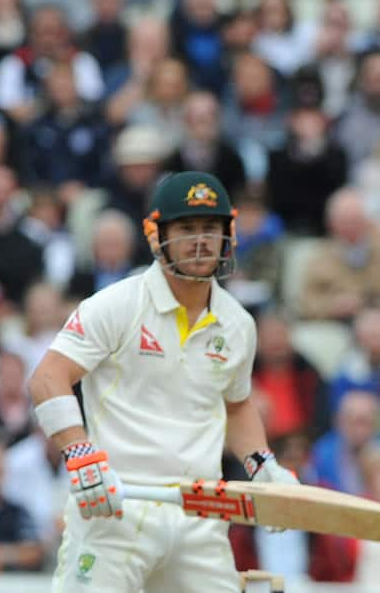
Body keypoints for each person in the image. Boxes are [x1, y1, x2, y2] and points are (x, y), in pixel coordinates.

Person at [27, 171, 298, 592]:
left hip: (200, 516)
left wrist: (264, 466)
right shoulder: (117, 304)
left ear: (229, 234)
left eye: (211, 228)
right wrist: (80, 453)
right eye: (187, 228)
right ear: (156, 235)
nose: (201, 240)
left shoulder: (239, 324)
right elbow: (48, 376)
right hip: (117, 506)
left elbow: (237, 403)